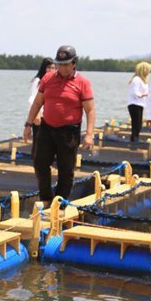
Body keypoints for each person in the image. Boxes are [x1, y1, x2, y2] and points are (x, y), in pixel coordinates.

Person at [23, 45, 95, 203]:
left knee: (66, 169)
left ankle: (60, 202)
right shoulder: (47, 79)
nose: (61, 68)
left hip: (69, 131)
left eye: (65, 64)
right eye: (59, 64)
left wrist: (89, 135)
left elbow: (90, 111)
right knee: (39, 162)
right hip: (47, 128)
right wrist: (28, 124)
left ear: (74, 63)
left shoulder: (83, 83)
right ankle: (46, 198)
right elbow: (37, 103)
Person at [27, 58, 56, 156]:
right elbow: (33, 99)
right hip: (39, 115)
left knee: (47, 141)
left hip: (49, 116)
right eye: (48, 67)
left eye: (53, 68)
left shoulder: (52, 81)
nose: (51, 70)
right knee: (38, 140)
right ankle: (35, 159)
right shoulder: (38, 81)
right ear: (43, 68)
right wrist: (36, 115)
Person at [127, 61, 151, 142]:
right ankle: (134, 140)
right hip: (134, 104)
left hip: (140, 104)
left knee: (138, 124)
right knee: (136, 124)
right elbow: (135, 93)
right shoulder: (136, 79)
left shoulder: (143, 80)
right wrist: (145, 94)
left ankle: (135, 139)